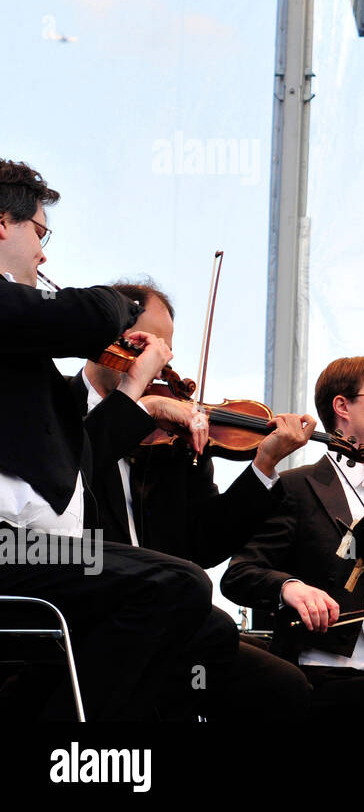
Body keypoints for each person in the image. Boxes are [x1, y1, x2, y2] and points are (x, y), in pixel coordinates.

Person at [0, 158, 223, 719]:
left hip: (37, 550)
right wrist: (124, 310)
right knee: (175, 585)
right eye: (40, 233)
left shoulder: (20, 345)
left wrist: (138, 395)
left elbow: (82, 452)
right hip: (12, 549)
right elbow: (87, 311)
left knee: (197, 612)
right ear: (4, 223)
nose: (44, 254)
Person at [74, 279, 315, 720]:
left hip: (170, 623)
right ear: (110, 341)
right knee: (211, 635)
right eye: (147, 347)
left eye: (165, 353)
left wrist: (263, 465)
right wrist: (138, 409)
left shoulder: (175, 438)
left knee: (284, 688)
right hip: (95, 613)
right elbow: (76, 470)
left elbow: (204, 544)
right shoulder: (64, 411)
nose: (160, 366)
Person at [222, 356, 364, 722]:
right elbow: (239, 574)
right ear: (342, 406)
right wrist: (291, 587)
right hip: (323, 679)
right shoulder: (298, 486)